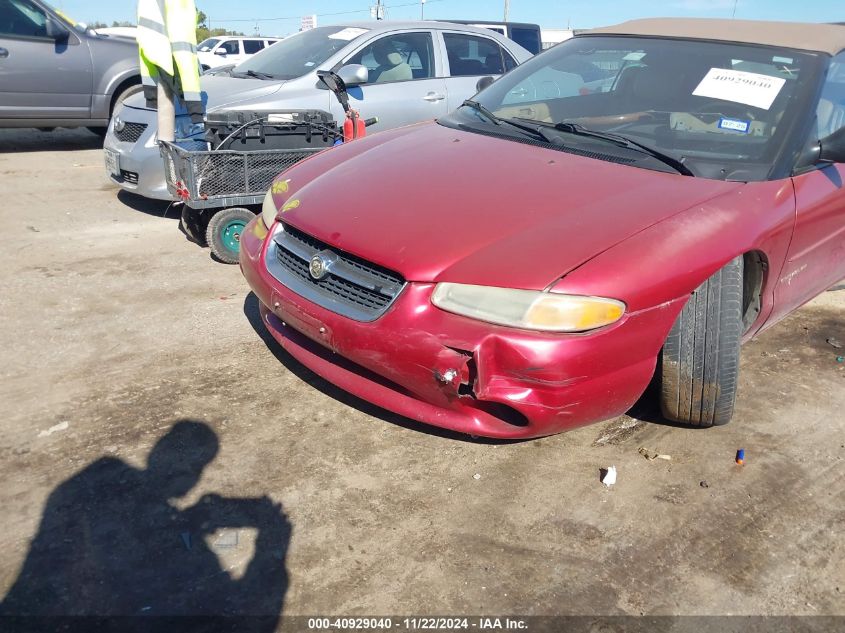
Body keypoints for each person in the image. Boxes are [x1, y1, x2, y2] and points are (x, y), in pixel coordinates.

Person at [1, 420, 289, 627]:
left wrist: (186, 524)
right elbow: (251, 614)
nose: (191, 478)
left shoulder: (98, 483)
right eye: (193, 466)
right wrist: (276, 537)